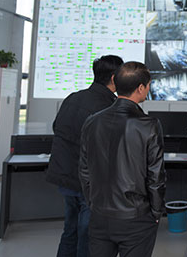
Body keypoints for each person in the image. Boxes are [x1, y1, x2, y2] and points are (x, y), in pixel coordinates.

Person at [79, 61, 165, 257]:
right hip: (136, 217)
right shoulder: (149, 125)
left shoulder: (92, 121)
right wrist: (156, 212)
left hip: (99, 214)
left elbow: (84, 170)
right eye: (148, 85)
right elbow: (156, 176)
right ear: (141, 88)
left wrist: (93, 203)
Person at [46, 55, 123, 257]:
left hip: (66, 176)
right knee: (88, 234)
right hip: (89, 183)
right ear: (114, 78)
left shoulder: (73, 97)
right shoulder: (108, 106)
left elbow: (57, 127)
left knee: (70, 230)